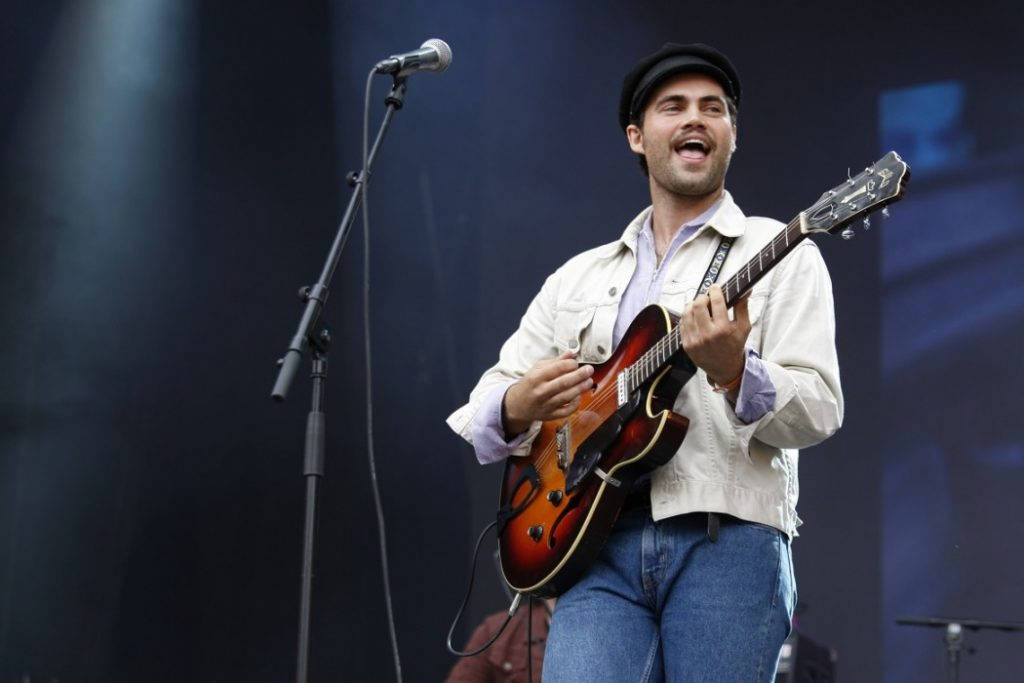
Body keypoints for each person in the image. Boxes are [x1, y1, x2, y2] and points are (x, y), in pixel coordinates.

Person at [447, 42, 843, 682]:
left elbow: (820, 410)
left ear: (731, 136)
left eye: (713, 109)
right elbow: (487, 398)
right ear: (637, 136)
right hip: (592, 544)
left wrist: (737, 371)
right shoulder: (578, 276)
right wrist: (520, 403)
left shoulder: (782, 251)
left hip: (727, 544)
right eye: (673, 107)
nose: (695, 118)